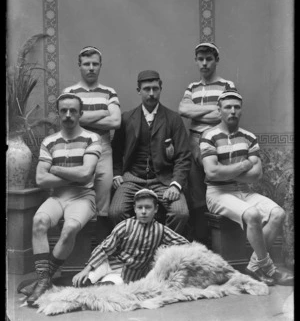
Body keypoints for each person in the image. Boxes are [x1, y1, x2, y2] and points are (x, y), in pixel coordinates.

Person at [200, 87, 294, 286]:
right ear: (219, 110)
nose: (232, 111)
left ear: (241, 110)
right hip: (218, 193)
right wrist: (244, 165)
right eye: (227, 107)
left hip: (244, 192)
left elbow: (256, 175)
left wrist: (227, 170)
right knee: (252, 214)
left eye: (236, 107)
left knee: (278, 213)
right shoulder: (209, 136)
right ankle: (268, 268)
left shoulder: (249, 137)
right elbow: (212, 173)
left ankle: (254, 266)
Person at [25, 93, 102, 305]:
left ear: (80, 113)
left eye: (73, 111)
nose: (68, 115)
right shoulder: (50, 142)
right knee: (39, 221)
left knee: (69, 229)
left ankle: (43, 281)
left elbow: (86, 174)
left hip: (83, 196)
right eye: (64, 111)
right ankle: (44, 280)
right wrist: (71, 175)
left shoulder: (92, 138)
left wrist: (57, 169)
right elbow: (41, 178)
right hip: (57, 197)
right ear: (58, 113)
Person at [109, 70, 191, 236]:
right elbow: (115, 151)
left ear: (161, 89)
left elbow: (184, 156)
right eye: (147, 89)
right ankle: (135, 245)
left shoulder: (173, 119)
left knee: (180, 213)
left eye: (155, 88)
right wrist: (117, 174)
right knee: (116, 212)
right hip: (132, 178)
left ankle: (163, 249)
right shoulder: (126, 118)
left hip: (163, 180)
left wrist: (175, 184)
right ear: (138, 90)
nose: (152, 93)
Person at [178, 42, 235, 245]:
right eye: (200, 59)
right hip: (194, 142)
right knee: (197, 196)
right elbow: (184, 110)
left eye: (208, 59)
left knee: (220, 190)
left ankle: (223, 244)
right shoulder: (192, 87)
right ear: (196, 61)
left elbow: (225, 114)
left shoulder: (227, 86)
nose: (204, 63)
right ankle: (203, 243)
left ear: (216, 60)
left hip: (217, 142)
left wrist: (199, 110)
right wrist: (213, 109)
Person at [72, 188, 189, 286]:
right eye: (140, 207)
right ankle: (88, 281)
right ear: (134, 209)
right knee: (86, 279)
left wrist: (164, 254)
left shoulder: (161, 230)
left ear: (156, 209)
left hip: (127, 274)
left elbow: (184, 243)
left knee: (110, 285)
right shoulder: (125, 226)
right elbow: (105, 248)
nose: (143, 211)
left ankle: (103, 284)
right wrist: (86, 270)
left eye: (148, 207)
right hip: (108, 263)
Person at [63, 46, 121, 243]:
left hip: (103, 147)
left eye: (95, 64)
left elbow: (115, 122)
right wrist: (103, 112)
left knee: (103, 198)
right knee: (78, 196)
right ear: (79, 66)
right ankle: (78, 253)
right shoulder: (70, 92)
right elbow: (70, 122)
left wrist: (83, 117)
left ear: (100, 66)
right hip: (76, 148)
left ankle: (100, 251)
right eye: (86, 64)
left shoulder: (108, 92)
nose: (91, 68)